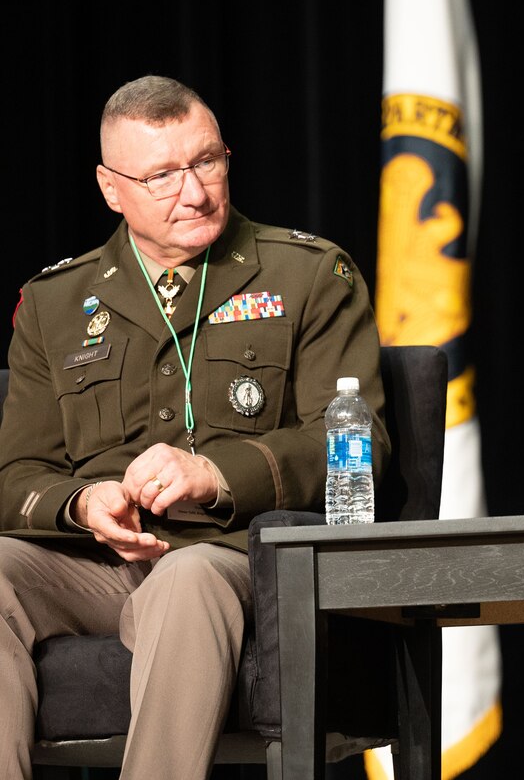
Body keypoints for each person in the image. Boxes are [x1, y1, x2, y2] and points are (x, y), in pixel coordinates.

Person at [0, 75, 390, 779]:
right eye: (161, 175)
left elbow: (358, 446)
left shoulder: (309, 274)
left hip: (236, 555)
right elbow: (17, 477)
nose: (195, 191)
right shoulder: (56, 301)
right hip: (99, 566)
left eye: (206, 161)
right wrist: (83, 502)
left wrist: (215, 473)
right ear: (110, 187)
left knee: (186, 577)